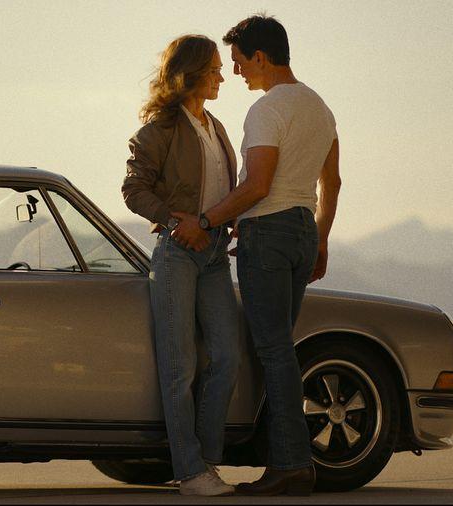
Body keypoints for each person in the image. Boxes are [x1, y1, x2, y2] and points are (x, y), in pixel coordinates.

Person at [198, 14, 342, 496]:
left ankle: (291, 463)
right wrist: (320, 238)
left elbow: (257, 185)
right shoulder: (320, 107)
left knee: (274, 352)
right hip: (302, 230)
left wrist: (206, 220)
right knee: (281, 349)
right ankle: (288, 458)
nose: (236, 72)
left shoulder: (267, 111)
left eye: (239, 62)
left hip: (270, 233)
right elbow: (332, 181)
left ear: (261, 57)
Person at [121, 34, 242, 497]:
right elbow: (134, 190)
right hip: (177, 255)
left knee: (226, 357)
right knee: (181, 364)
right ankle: (190, 471)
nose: (222, 76)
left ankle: (205, 461)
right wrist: (175, 221)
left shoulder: (217, 127)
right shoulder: (158, 130)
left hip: (214, 253)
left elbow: (225, 189)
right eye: (214, 68)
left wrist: (230, 224)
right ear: (191, 72)